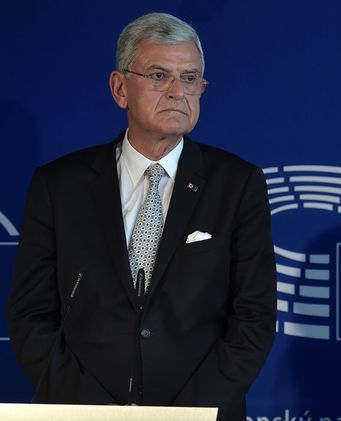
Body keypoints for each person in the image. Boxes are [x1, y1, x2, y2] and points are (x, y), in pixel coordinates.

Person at [7, 12, 276, 421]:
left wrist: (187, 415)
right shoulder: (60, 186)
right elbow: (31, 317)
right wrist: (92, 412)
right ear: (119, 89)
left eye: (190, 78)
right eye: (158, 75)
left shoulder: (237, 185)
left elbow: (254, 319)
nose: (177, 91)